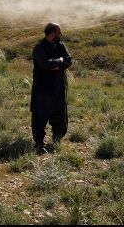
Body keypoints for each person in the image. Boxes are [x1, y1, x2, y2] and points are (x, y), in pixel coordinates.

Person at [31, 22, 73, 154]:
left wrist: (56, 65)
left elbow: (68, 60)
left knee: (59, 116)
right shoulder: (39, 48)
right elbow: (45, 64)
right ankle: (39, 143)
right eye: (59, 32)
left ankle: (56, 139)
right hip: (43, 89)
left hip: (59, 88)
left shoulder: (60, 45)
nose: (61, 35)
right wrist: (59, 61)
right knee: (40, 117)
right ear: (52, 33)